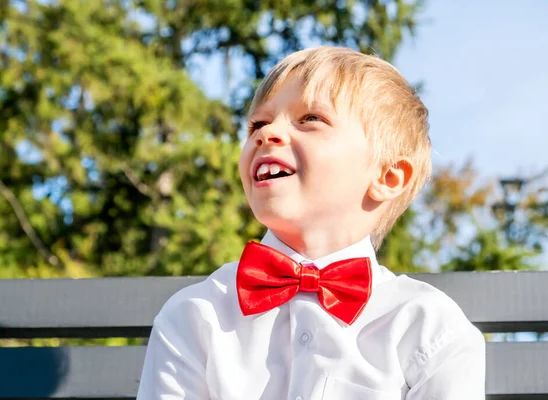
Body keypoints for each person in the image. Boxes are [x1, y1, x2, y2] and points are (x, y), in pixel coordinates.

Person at [137, 46, 485, 399]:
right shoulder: (195, 317)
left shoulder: (430, 329)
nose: (267, 132)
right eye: (258, 123)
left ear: (387, 177)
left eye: (309, 119)